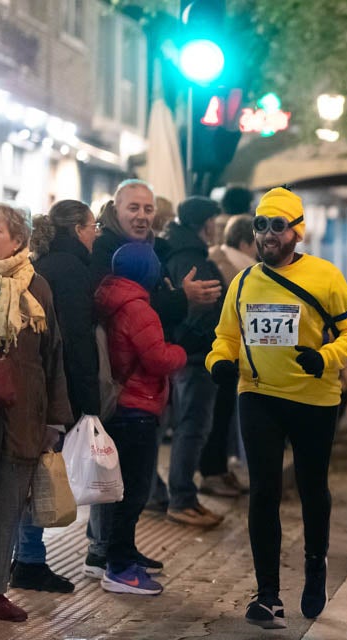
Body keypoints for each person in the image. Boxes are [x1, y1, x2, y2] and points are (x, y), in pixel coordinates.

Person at [206, 187, 347, 629]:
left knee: (312, 486)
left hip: (314, 399)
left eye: (277, 226)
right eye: (261, 225)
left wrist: (326, 357)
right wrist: (219, 362)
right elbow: (226, 336)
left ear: (296, 232)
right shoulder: (242, 282)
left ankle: (315, 565)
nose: (267, 234)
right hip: (258, 394)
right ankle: (267, 595)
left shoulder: (325, 277)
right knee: (263, 490)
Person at [10, 201, 97, 594]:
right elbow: (72, 345)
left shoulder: (40, 270)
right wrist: (85, 402)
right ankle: (28, 560)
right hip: (40, 395)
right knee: (35, 479)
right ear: (80, 228)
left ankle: (25, 559)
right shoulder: (70, 271)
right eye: (92, 225)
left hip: (28, 395)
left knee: (23, 480)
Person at [94, 243, 188, 595]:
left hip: (122, 405)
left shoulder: (111, 298)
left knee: (128, 490)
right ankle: (119, 569)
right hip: (137, 406)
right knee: (133, 493)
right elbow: (157, 359)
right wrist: (182, 352)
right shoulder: (138, 308)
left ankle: (123, 555)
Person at [0, 204, 72, 622]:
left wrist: (55, 420)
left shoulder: (35, 287)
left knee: (6, 506)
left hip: (21, 416)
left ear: (19, 239)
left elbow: (53, 356)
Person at [161, 196, 227, 528]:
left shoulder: (178, 251)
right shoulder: (192, 258)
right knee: (193, 427)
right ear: (204, 224)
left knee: (187, 425)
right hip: (198, 357)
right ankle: (182, 498)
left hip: (188, 354)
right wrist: (207, 341)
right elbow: (205, 308)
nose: (218, 227)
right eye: (215, 221)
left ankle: (178, 496)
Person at [201, 214, 257, 499]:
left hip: (217, 354)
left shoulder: (215, 258)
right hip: (225, 354)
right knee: (218, 417)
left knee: (217, 417)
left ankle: (219, 470)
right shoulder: (242, 271)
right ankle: (213, 472)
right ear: (247, 243)